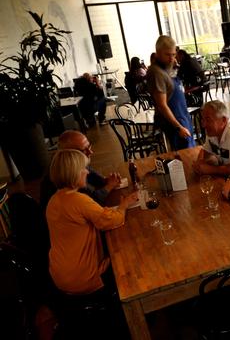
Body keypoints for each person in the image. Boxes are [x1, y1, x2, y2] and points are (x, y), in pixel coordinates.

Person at [46, 149, 138, 296]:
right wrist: (124, 205)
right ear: (73, 173)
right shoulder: (78, 200)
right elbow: (111, 220)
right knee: (130, 255)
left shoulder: (54, 200)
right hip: (83, 277)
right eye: (83, 169)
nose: (87, 173)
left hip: (60, 275)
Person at [40, 130, 122, 208]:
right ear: (68, 153)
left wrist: (108, 180)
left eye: (89, 146)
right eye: (84, 150)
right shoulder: (66, 172)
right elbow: (93, 200)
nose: (90, 152)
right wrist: (110, 185)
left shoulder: (77, 161)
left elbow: (96, 179)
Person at [146, 35, 195, 151]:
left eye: (173, 55)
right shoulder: (156, 72)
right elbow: (162, 105)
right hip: (172, 125)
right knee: (180, 160)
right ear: (157, 52)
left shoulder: (166, 70)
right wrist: (178, 127)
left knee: (189, 155)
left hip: (182, 119)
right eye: (167, 55)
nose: (171, 59)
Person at [192, 100, 230, 177]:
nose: (204, 125)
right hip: (225, 177)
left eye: (208, 120)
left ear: (223, 120)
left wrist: (210, 169)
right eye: (203, 119)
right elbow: (205, 151)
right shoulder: (212, 132)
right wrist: (200, 163)